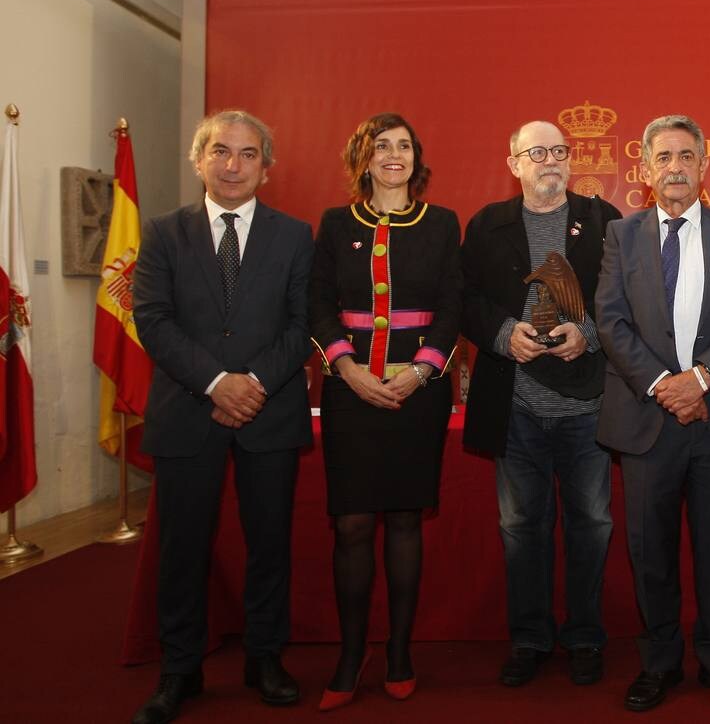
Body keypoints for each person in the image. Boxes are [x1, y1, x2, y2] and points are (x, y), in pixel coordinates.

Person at [131, 110, 314, 723]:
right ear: (198, 159)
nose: (233, 165)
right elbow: (151, 319)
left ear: (267, 166)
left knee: (269, 543)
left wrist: (253, 382)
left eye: (247, 154)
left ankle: (266, 658)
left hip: (270, 408)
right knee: (182, 547)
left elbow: (302, 323)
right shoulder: (161, 232)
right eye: (220, 151)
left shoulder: (294, 236)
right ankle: (179, 668)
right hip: (188, 410)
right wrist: (216, 382)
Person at [595, 114, 710, 713]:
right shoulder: (622, 235)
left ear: (704, 166)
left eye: (686, 156)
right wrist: (661, 385)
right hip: (648, 422)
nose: (675, 167)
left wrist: (700, 378)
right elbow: (611, 319)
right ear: (645, 170)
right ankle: (660, 663)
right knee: (650, 550)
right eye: (663, 157)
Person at [460, 119, 622, 688]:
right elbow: (466, 300)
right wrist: (505, 334)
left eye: (559, 150)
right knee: (520, 526)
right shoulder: (487, 225)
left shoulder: (604, 220)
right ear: (515, 163)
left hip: (588, 406)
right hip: (515, 406)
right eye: (537, 152)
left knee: (593, 524)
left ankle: (584, 637)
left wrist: (592, 334)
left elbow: (626, 297)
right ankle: (529, 637)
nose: (550, 160)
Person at [309, 113, 462, 709]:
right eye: (381, 146)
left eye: (403, 146)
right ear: (364, 159)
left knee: (403, 520)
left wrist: (421, 370)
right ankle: (352, 652)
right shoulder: (333, 224)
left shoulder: (442, 224)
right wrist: (347, 369)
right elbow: (317, 305)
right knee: (350, 525)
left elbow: (453, 306)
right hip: (350, 392)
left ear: (416, 160)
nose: (393, 155)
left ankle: (399, 649)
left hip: (417, 393)